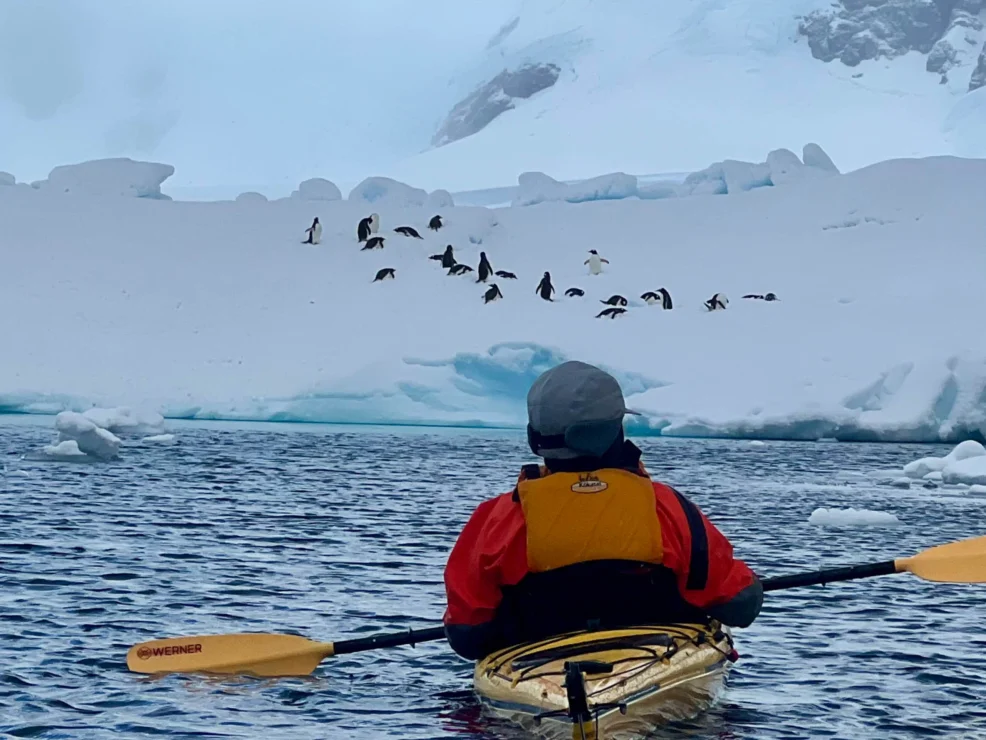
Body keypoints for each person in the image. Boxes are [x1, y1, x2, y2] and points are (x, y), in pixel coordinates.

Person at [442, 360, 763, 660]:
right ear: (613, 432)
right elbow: (739, 604)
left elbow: (468, 634)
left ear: (533, 437)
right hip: (655, 663)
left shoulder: (498, 518)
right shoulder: (667, 507)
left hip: (539, 672)